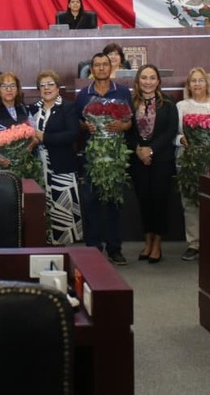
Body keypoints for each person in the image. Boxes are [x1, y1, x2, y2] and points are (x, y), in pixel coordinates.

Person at [75, 52, 132, 265]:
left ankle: (115, 248)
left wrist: (121, 125)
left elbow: (130, 122)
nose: (101, 68)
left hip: (115, 156)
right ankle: (94, 248)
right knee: (92, 202)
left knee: (114, 203)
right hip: (92, 157)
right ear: (91, 69)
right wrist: (86, 126)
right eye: (97, 65)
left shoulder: (123, 92)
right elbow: (77, 121)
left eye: (104, 64)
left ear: (111, 68)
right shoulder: (84, 94)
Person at [175, 67, 210, 262]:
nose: (197, 84)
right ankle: (194, 244)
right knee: (190, 201)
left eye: (201, 80)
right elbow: (176, 133)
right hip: (188, 160)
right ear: (188, 85)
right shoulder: (181, 106)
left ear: (207, 83)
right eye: (193, 81)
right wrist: (181, 140)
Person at [127, 65, 178, 264]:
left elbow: (171, 130)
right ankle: (147, 241)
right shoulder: (131, 102)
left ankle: (157, 243)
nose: (148, 82)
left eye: (152, 78)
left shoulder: (168, 103)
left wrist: (151, 149)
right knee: (144, 200)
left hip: (161, 158)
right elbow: (127, 131)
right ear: (138, 80)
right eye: (144, 78)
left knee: (159, 201)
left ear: (158, 81)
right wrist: (139, 149)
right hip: (138, 158)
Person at [29, 69, 82, 245]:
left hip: (62, 166)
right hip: (38, 167)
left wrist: (45, 137)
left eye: (50, 84)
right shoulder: (32, 109)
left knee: (62, 207)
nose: (46, 88)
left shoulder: (68, 107)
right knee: (42, 206)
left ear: (58, 87)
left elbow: (72, 134)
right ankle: (44, 244)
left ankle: (62, 247)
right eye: (42, 85)